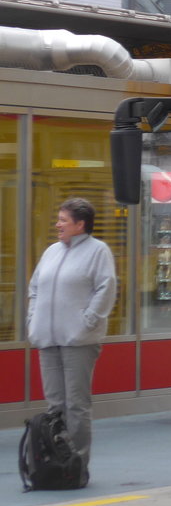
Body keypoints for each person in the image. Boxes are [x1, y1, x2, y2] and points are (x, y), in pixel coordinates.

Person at [26, 198, 117, 484]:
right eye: (59, 219)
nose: (58, 224)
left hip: (79, 340)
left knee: (76, 405)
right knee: (55, 405)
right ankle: (56, 462)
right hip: (47, 339)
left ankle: (76, 466)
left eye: (63, 220)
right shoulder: (51, 251)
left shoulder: (98, 251)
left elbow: (106, 288)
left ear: (80, 224)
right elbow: (34, 288)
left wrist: (88, 321)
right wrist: (33, 320)